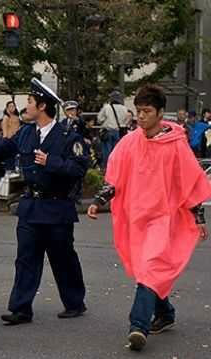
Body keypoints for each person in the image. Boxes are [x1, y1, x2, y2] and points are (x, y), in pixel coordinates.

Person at [87, 84, 211, 351]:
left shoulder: (176, 145)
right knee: (146, 271)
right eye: (138, 111)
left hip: (164, 218)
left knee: (151, 266)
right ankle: (165, 312)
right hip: (136, 217)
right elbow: (115, 176)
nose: (141, 116)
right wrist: (99, 201)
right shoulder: (131, 141)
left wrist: (198, 216)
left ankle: (138, 327)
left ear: (160, 113)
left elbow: (189, 182)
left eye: (147, 111)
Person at [0, 78, 88, 325]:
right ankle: (21, 308)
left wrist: (52, 162)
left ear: (42, 106)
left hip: (57, 208)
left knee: (63, 259)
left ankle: (75, 302)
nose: (26, 106)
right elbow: (1, 149)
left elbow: (79, 168)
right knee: (25, 259)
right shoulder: (25, 133)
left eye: (30, 101)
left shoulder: (68, 136)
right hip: (31, 207)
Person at [97, 91, 128, 170]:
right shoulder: (124, 108)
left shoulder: (107, 107)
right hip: (119, 132)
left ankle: (107, 169)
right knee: (117, 152)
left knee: (106, 152)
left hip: (108, 131)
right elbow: (126, 121)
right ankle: (116, 169)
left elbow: (99, 119)